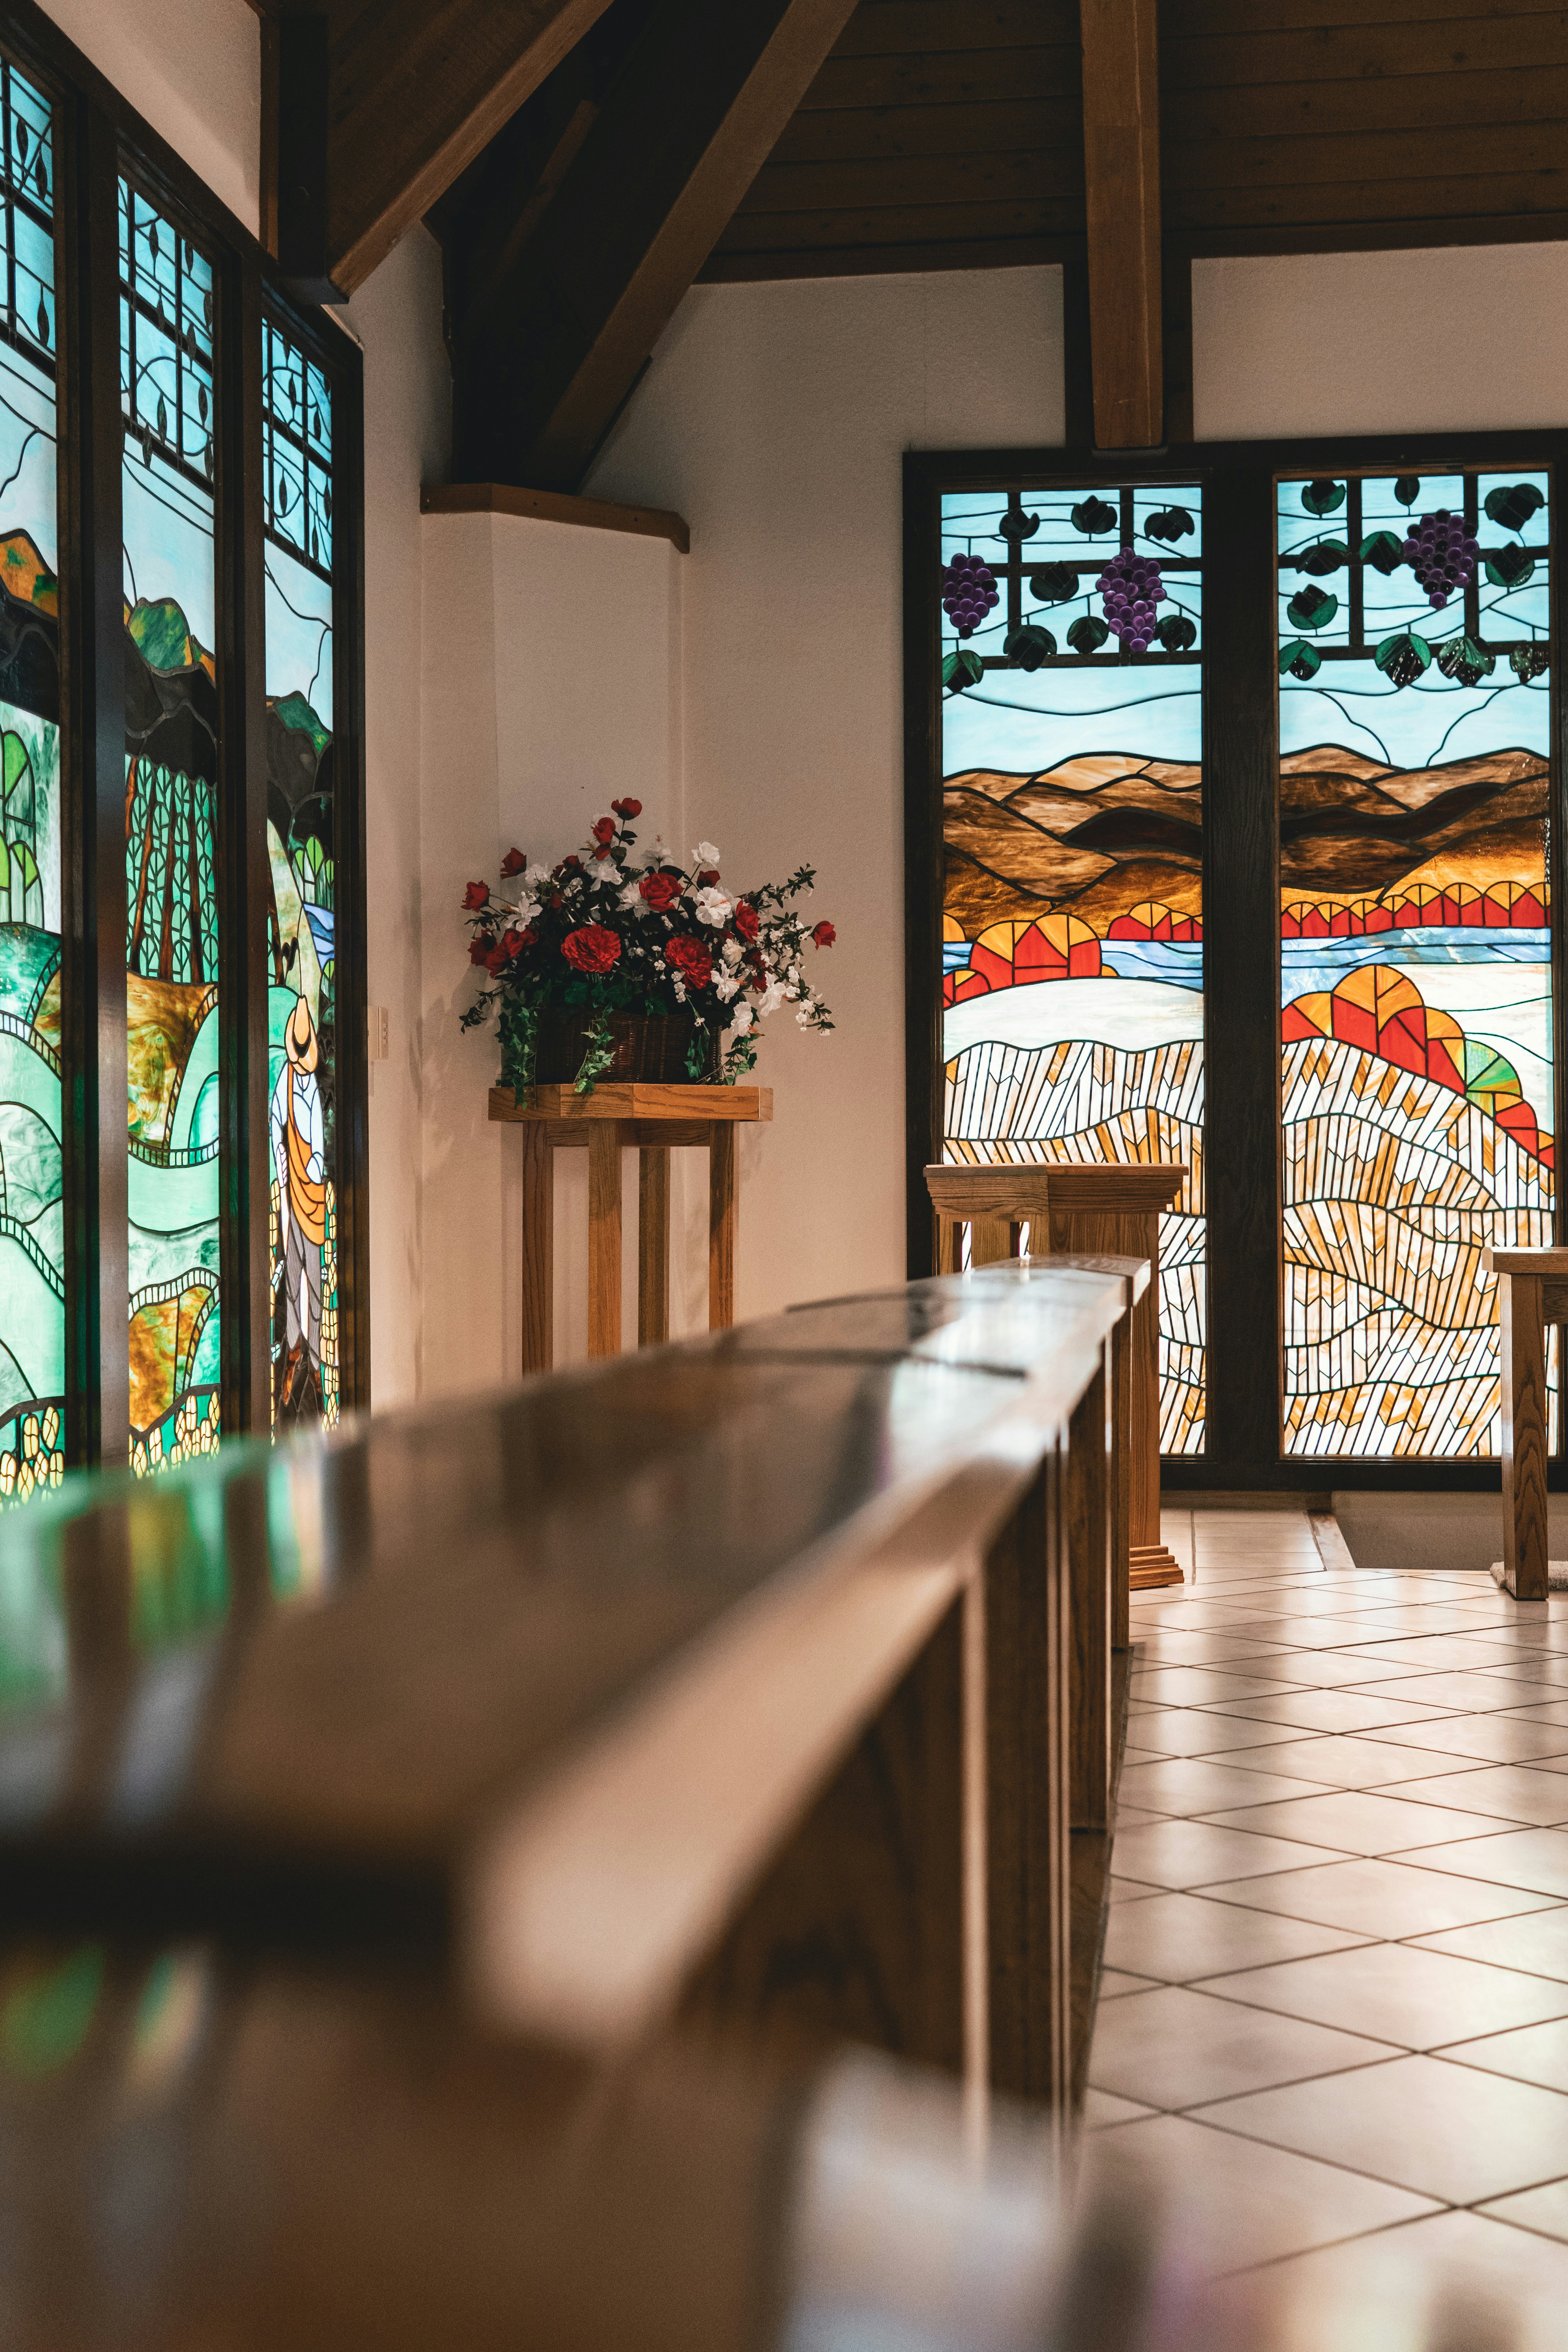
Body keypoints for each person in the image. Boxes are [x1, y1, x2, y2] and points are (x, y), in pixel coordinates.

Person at [270, 994, 327, 1414]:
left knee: (314, 1273)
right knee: (292, 1274)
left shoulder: (310, 1088)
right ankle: (292, 1349)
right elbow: (276, 1127)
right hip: (293, 1191)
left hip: (314, 1195)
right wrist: (284, 1172)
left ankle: (316, 1356)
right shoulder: (284, 1084)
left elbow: (319, 1146)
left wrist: (315, 1166)